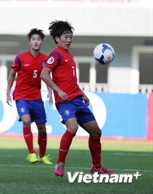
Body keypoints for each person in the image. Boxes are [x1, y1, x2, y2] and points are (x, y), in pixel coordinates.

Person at [40, 20, 115, 177]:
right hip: (65, 102)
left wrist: (82, 93)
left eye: (70, 37)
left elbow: (70, 80)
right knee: (72, 128)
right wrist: (58, 91)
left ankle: (96, 167)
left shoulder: (69, 56)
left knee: (96, 132)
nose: (68, 40)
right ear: (56, 38)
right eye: (65, 37)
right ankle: (60, 163)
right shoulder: (56, 55)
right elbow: (44, 74)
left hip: (77, 100)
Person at [6, 28, 53, 165]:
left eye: (38, 39)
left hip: (36, 98)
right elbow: (12, 74)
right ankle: (31, 153)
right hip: (21, 96)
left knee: (42, 127)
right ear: (29, 42)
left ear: (42, 42)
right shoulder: (20, 58)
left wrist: (50, 91)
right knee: (26, 121)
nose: (36, 42)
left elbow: (47, 76)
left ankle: (43, 155)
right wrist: (8, 92)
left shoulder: (45, 59)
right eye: (33, 39)